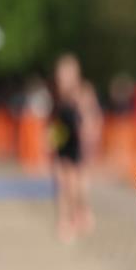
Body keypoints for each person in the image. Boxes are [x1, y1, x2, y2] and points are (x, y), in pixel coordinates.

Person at [49, 54, 93, 242]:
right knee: (60, 182)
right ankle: (63, 220)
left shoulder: (82, 93)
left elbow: (89, 119)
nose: (62, 78)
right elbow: (55, 121)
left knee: (76, 182)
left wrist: (88, 140)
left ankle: (80, 211)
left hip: (78, 143)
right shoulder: (57, 95)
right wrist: (51, 138)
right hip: (62, 141)